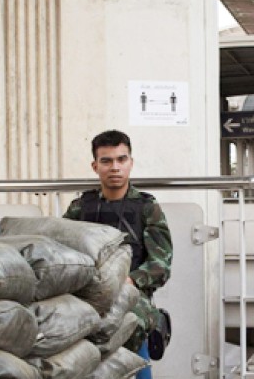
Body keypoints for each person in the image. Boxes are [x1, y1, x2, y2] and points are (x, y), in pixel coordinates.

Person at [64, 130, 173, 352]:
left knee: (124, 325)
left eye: (121, 159)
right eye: (106, 161)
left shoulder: (146, 208)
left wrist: (129, 282)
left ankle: (154, 321)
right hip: (86, 290)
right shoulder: (80, 208)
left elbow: (160, 264)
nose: (115, 167)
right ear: (95, 166)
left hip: (130, 290)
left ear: (130, 163)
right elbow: (62, 253)